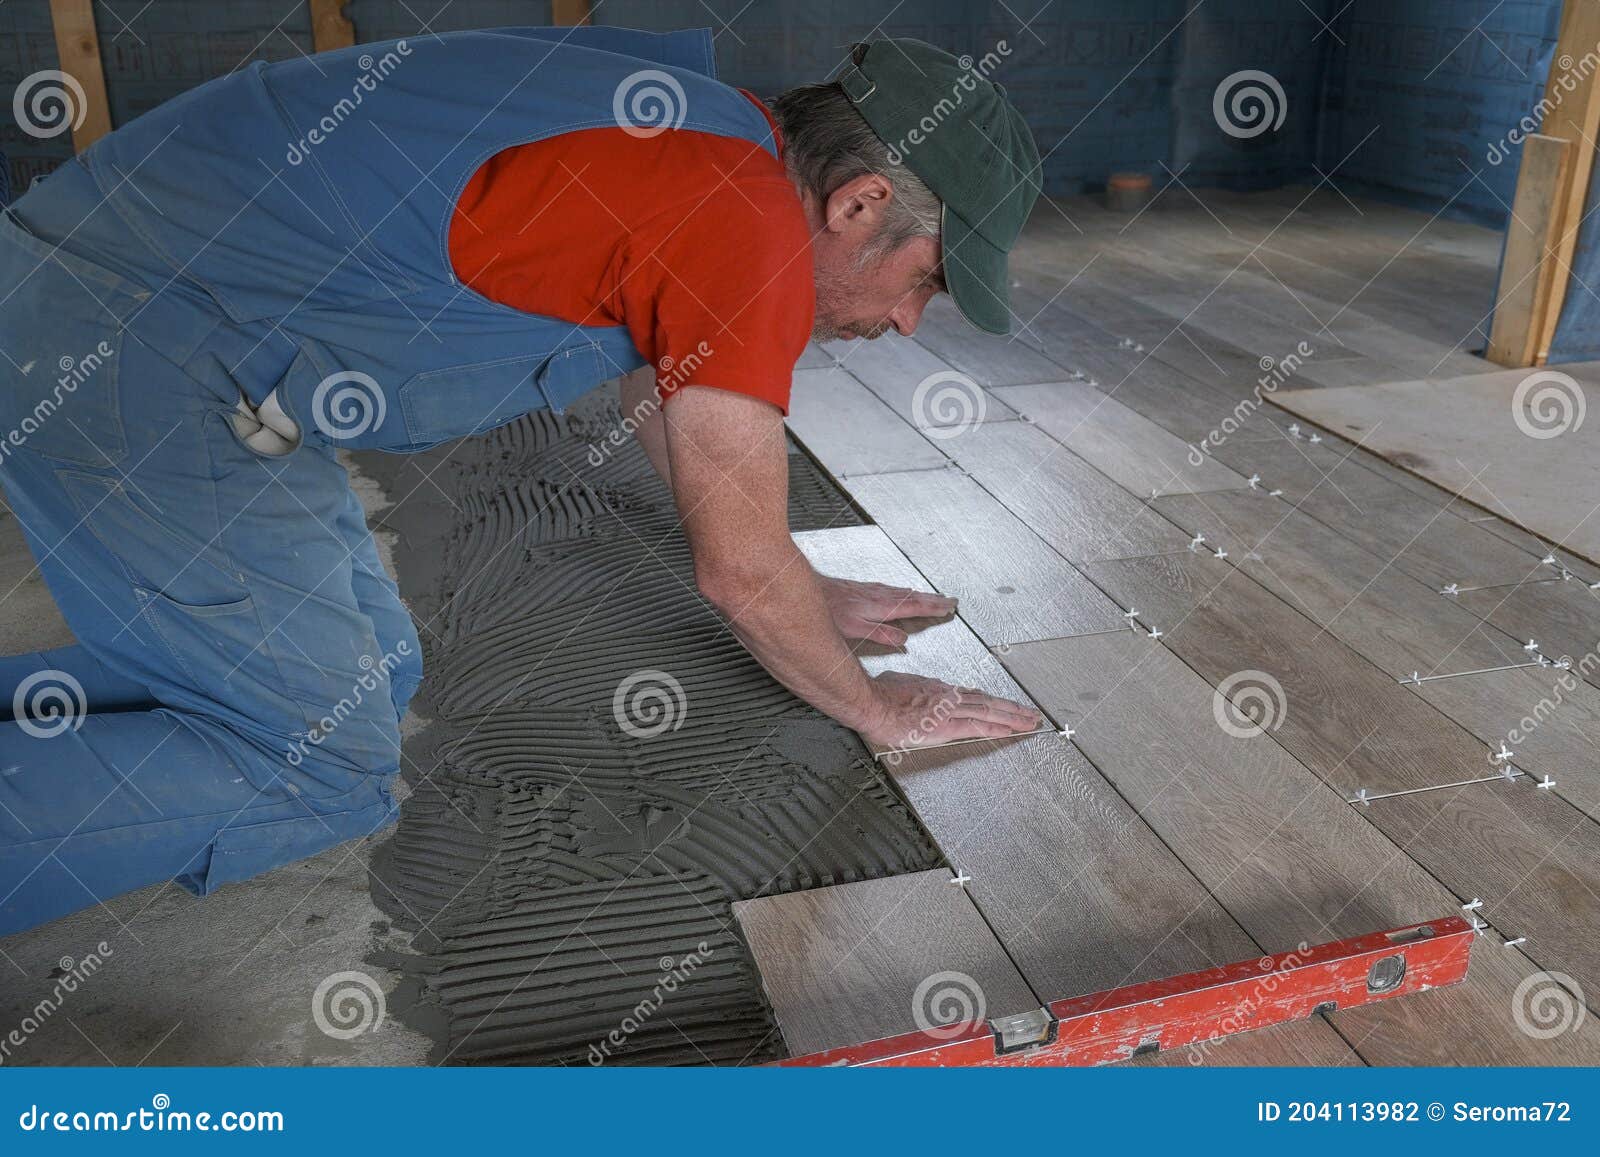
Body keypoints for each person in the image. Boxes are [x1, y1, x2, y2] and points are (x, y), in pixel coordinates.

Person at [0, 26, 1042, 936]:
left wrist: (802, 591)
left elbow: (663, 393)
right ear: (859, 204)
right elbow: (738, 572)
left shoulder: (709, 143)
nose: (906, 321)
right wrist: (870, 704)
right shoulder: (747, 223)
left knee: (374, 678)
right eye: (927, 281)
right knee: (313, 762)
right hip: (130, 350)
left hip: (138, 311)